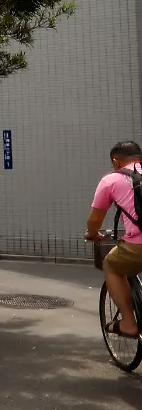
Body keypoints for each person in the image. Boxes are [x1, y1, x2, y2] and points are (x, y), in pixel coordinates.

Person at [85, 141, 142, 338]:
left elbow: (95, 220)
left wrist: (93, 234)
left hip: (138, 245)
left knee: (111, 265)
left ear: (116, 161)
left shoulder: (111, 180)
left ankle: (128, 323)